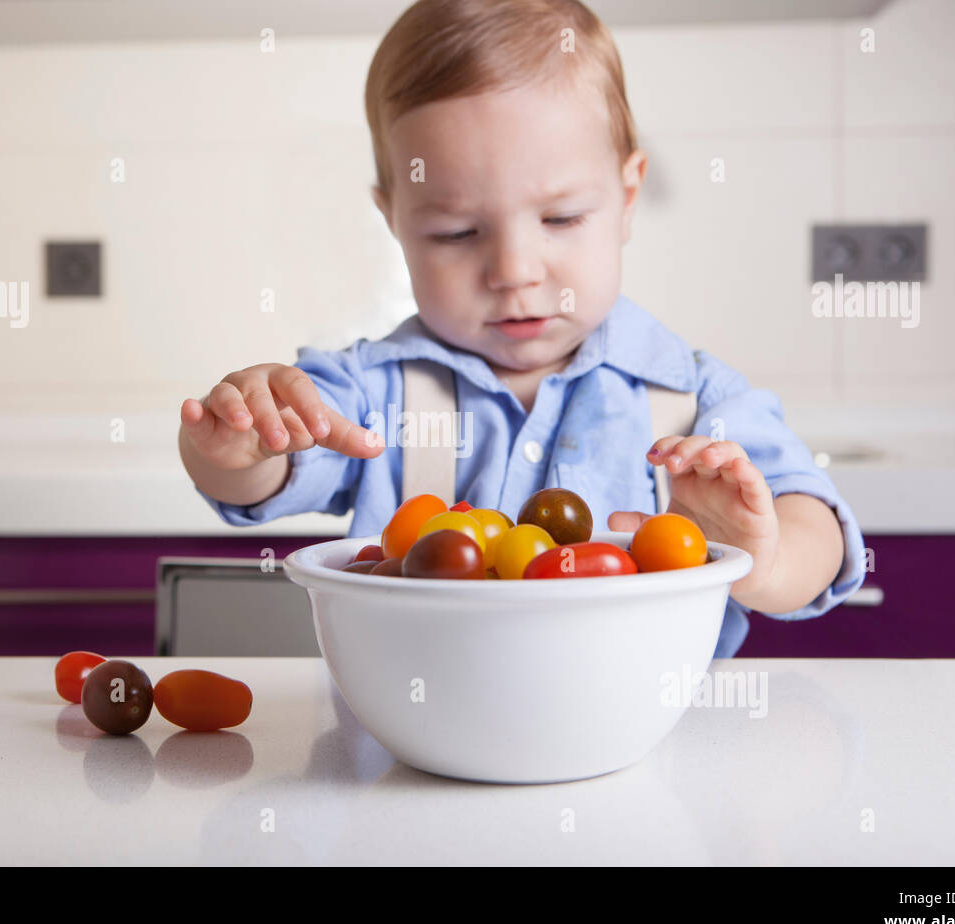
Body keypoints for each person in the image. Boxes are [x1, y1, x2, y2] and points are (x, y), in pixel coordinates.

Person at [178, 0, 865, 657]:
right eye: (456, 232)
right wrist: (239, 443)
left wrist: (762, 560)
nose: (513, 270)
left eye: (561, 219)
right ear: (395, 222)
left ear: (627, 199)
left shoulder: (695, 398)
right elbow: (267, 472)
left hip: (648, 747)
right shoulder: (370, 393)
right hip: (417, 741)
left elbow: (819, 526)